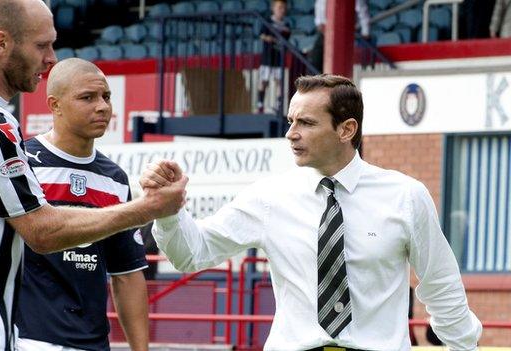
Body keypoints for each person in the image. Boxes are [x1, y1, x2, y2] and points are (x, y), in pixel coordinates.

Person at [0, 0, 186, 349]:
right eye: (41, 45)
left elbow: (125, 274)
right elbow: (42, 231)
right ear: (1, 43)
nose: (51, 58)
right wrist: (148, 208)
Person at [141, 74, 482, 350]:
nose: (290, 134)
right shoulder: (269, 197)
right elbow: (192, 253)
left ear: (346, 130)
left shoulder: (406, 196)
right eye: (291, 121)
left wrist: (464, 348)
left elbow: (440, 285)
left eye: (305, 122)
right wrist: (169, 211)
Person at [16, 58, 149, 351]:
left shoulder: (114, 179)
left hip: (92, 344)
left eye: (106, 97)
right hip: (25, 340)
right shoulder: (21, 162)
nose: (102, 106)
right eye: (87, 98)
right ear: (55, 105)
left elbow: (127, 275)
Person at [309, 0, 370, 73]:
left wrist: (365, 32)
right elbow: (319, 8)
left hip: (345, 33)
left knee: (339, 61)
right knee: (316, 59)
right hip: (326, 33)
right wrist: (319, 24)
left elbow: (363, 13)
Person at [257, 0, 291, 114]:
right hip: (267, 57)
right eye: (279, 7)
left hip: (278, 58)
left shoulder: (286, 24)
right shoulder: (268, 21)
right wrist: (270, 39)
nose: (281, 10)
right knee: (263, 81)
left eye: (283, 8)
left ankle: (278, 106)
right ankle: (260, 104)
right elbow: (261, 35)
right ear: (273, 8)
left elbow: (287, 37)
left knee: (279, 82)